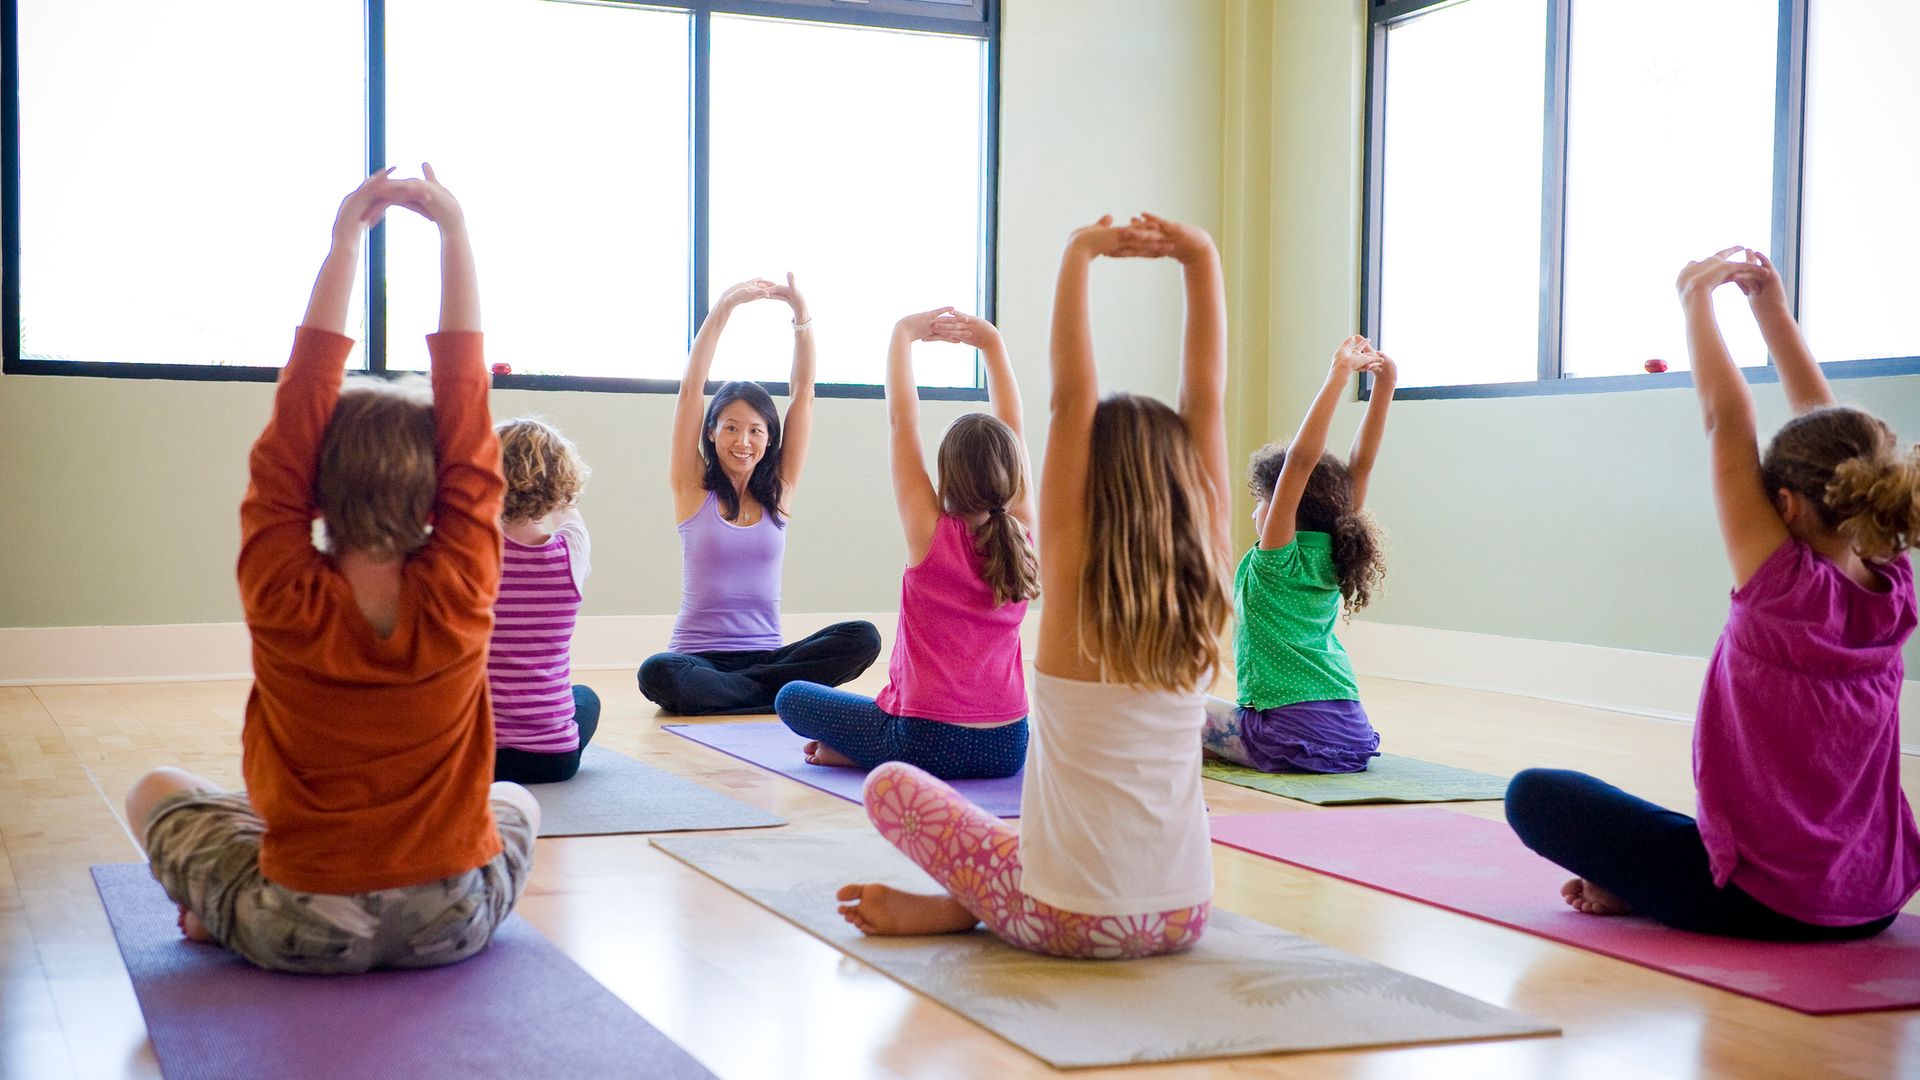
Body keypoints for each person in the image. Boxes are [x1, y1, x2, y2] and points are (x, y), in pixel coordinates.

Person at [124, 166, 540, 973]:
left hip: (303, 927)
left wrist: (347, 237)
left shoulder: (281, 587)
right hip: (452, 922)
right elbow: (469, 413)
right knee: (516, 801)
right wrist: (456, 238)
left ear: (309, 485)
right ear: (438, 494)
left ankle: (222, 913)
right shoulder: (462, 584)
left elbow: (294, 413)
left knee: (154, 788)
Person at [836, 214, 1232, 959]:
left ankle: (965, 909)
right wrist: (1199, 255)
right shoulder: (1202, 600)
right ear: (1195, 494)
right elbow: (1205, 401)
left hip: (1066, 918)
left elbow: (1067, 405)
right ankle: (971, 906)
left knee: (892, 785)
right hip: (1185, 914)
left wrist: (1080, 251)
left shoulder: (1071, 580)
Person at [1506, 247, 1920, 940]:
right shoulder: (1893, 588)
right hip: (1875, 898)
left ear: (1784, 506)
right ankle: (1639, 880)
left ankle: (1637, 887)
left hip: (1764, 904)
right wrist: (1772, 314)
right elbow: (1840, 444)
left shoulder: (1783, 588)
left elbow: (1724, 422)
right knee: (1679, 830)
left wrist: (1694, 298)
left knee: (1535, 796)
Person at [774, 308, 1036, 780]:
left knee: (791, 697)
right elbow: (1013, 427)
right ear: (1013, 474)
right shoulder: (1024, 531)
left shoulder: (929, 532)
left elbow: (902, 420)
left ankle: (868, 755)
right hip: (1008, 745)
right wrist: (992, 344)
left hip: (926, 742)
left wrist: (903, 335)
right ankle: (868, 752)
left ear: (947, 475)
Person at [637, 275, 881, 715]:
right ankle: (778, 696)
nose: (742, 441)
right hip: (698, 659)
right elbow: (690, 391)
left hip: (769, 655)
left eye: (755, 430)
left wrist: (802, 318)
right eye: (730, 427)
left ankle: (749, 694)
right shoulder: (693, 488)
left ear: (770, 438)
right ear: (711, 433)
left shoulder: (779, 493)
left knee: (863, 637)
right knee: (658, 672)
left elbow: (803, 394)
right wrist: (724, 309)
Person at [1202, 336, 1394, 773]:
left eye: (1261, 499)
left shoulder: (1277, 559)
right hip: (1352, 735)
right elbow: (1360, 466)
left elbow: (1299, 463)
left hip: (1287, 735)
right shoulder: (1334, 550)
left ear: (1287, 507)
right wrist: (1386, 386)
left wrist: (1339, 374)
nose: (1257, 509)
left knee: (1175, 709)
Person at [491, 417, 599, 783]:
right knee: (585, 698)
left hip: (478, 756)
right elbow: (569, 513)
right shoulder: (572, 550)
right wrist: (554, 484)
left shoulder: (471, 556)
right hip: (552, 759)